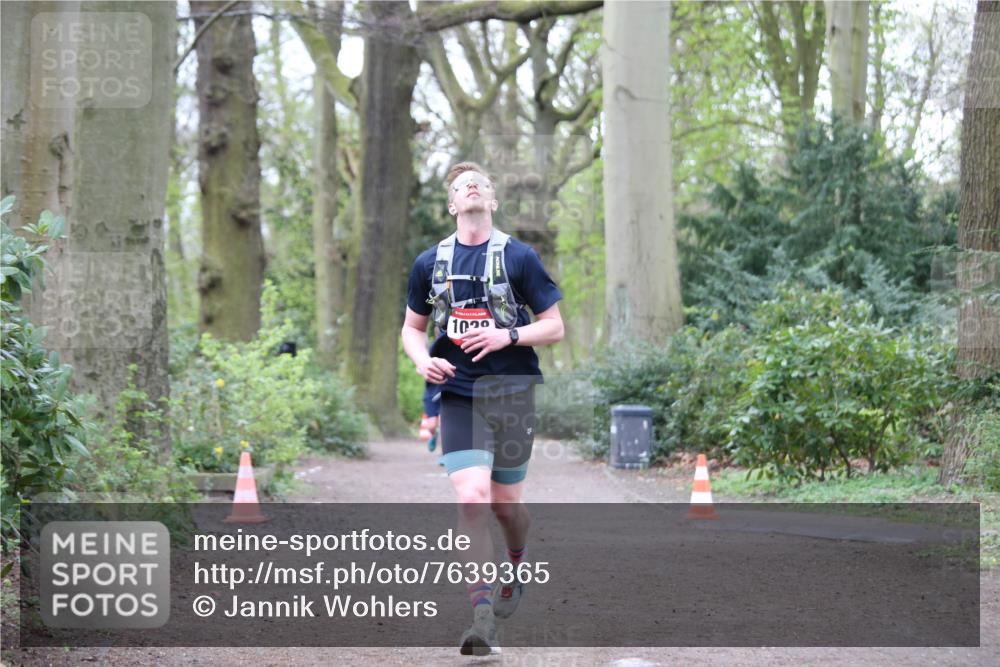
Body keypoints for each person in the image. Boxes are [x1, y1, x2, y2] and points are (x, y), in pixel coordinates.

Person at [400, 162, 564, 655]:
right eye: (460, 187)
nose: (471, 189)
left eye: (480, 185)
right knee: (471, 499)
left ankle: (516, 561)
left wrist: (507, 334)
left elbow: (554, 326)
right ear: (452, 205)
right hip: (459, 394)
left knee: (505, 506)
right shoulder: (429, 263)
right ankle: (482, 616)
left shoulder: (520, 257)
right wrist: (422, 360)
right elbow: (412, 329)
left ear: (491, 201)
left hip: (512, 392)